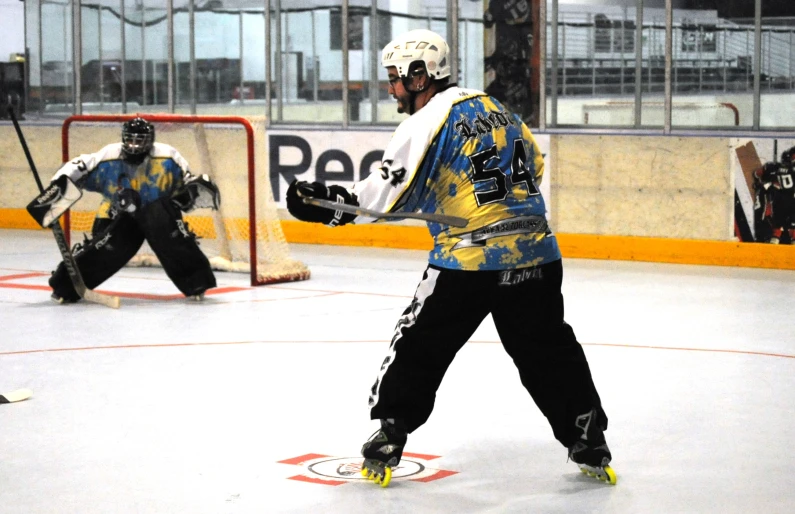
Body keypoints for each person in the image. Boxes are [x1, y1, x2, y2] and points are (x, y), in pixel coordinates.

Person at [285, 29, 614, 487]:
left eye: (396, 78)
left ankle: (391, 433)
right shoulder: (497, 108)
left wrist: (328, 205)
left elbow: (383, 195)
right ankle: (587, 436)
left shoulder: (426, 122)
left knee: (420, 344)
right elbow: (534, 166)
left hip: (470, 260)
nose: (392, 87)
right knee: (548, 350)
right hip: (536, 252)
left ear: (421, 76)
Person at [39, 116, 220, 303]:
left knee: (171, 231)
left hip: (154, 215)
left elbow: (185, 190)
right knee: (105, 249)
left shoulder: (168, 157)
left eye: (139, 140)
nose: (134, 145)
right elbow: (77, 166)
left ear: (150, 141)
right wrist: (56, 188)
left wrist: (190, 193)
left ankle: (196, 281)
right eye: (131, 139)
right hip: (116, 213)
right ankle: (65, 285)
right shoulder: (109, 155)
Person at [753, 146, 795, 244]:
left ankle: (772, 251)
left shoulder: (774, 167)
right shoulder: (792, 168)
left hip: (779, 201)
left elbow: (757, 173)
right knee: (793, 231)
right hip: (792, 200)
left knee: (777, 230)